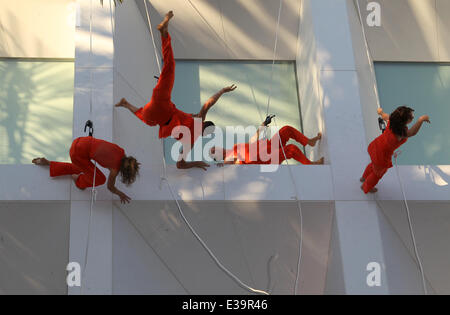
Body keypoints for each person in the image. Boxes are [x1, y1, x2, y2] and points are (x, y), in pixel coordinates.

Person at [115, 11, 236, 171]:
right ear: (205, 133)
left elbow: (208, 104)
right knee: (144, 117)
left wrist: (221, 91)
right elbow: (180, 165)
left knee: (169, 67)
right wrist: (195, 163)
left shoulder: (196, 125)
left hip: (161, 106)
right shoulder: (192, 140)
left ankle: (164, 33)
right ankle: (125, 104)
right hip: (157, 115)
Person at [32, 137, 140, 203]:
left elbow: (106, 154)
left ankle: (48, 163)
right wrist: (120, 194)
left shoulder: (121, 151)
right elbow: (110, 187)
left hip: (81, 141)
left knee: (82, 168)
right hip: (77, 154)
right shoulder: (115, 171)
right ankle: (78, 181)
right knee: (99, 179)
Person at [361, 106, 430, 194]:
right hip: (382, 155)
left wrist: (380, 112)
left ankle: (363, 177)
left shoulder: (392, 122)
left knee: (373, 164)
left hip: (375, 146)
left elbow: (385, 116)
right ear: (405, 120)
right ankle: (366, 187)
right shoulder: (400, 133)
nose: (413, 118)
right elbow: (412, 132)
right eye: (411, 117)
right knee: (377, 174)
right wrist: (421, 120)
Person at [209, 118, 324, 165]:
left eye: (214, 147)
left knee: (286, 130)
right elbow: (229, 165)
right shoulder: (229, 161)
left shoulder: (235, 147)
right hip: (268, 158)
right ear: (216, 157)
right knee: (291, 149)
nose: (217, 148)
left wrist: (263, 125)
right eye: (214, 151)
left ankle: (309, 141)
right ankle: (311, 165)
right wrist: (223, 163)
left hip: (268, 146)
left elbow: (252, 141)